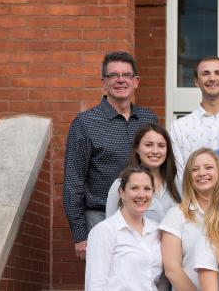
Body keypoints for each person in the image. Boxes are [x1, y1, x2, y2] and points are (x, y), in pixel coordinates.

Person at [64, 51, 159, 259]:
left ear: (136, 82)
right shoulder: (86, 123)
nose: (120, 80)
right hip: (99, 218)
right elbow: (73, 180)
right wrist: (80, 234)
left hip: (142, 213)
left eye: (126, 75)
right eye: (113, 76)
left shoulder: (148, 119)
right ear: (103, 82)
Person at [85, 166, 163, 290]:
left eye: (147, 188)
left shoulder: (156, 231)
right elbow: (95, 284)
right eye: (134, 188)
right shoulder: (105, 231)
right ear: (122, 193)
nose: (141, 195)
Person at [160, 149, 219, 291]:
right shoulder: (176, 215)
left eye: (208, 167)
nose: (202, 173)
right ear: (189, 177)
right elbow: (172, 269)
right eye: (195, 169)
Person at [170, 57, 219, 181]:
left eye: (218, 73)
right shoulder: (180, 127)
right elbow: (180, 175)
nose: (212, 78)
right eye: (205, 74)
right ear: (196, 81)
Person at [105, 123, 181, 222]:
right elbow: (110, 225)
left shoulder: (179, 183)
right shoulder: (120, 185)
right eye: (148, 145)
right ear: (137, 148)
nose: (155, 151)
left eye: (161, 146)